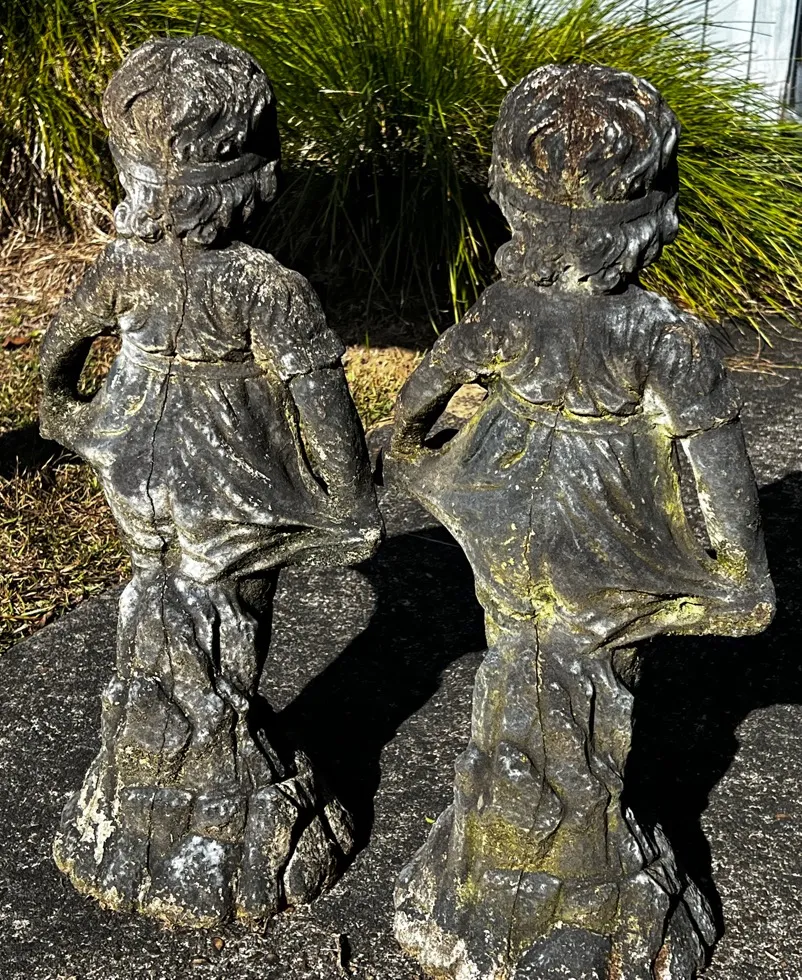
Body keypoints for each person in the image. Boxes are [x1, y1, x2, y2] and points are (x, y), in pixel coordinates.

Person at [389, 63, 774, 980]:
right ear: (652, 212)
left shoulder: (509, 307)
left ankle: (501, 840)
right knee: (598, 663)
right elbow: (713, 457)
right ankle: (583, 856)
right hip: (610, 521)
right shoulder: (661, 334)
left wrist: (404, 444)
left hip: (503, 496)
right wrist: (742, 570)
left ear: (511, 200)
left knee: (514, 643)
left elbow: (439, 374)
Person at [40, 36, 382, 926]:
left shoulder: (122, 266)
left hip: (133, 454)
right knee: (230, 600)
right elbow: (321, 402)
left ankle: (145, 747)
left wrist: (61, 412)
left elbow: (62, 345)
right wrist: (349, 500)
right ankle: (216, 753)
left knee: (152, 581)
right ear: (256, 177)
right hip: (229, 470)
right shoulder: (269, 287)